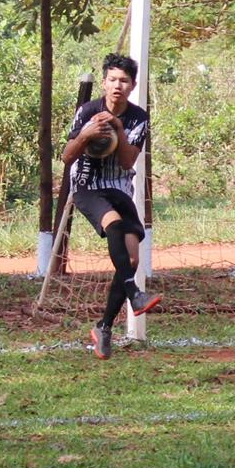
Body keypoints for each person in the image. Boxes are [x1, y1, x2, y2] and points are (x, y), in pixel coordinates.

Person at [61, 53, 161, 360]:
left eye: (125, 81)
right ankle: (134, 293)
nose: (118, 86)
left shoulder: (139, 118)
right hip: (88, 188)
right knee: (114, 224)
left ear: (132, 86)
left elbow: (128, 161)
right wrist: (87, 134)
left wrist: (117, 127)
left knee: (130, 261)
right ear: (104, 82)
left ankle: (103, 327)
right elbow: (66, 156)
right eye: (113, 79)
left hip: (119, 188)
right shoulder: (87, 111)